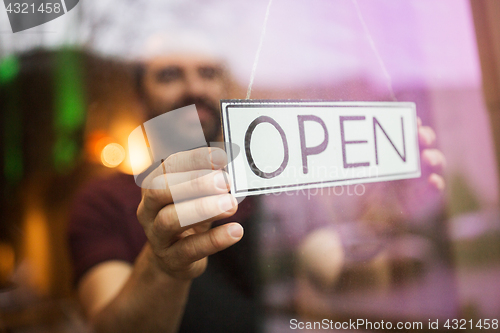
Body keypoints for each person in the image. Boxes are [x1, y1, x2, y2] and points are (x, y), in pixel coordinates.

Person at [68, 49, 446, 333]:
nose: (194, 87)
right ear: (139, 99)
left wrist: (392, 211)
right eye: (169, 75)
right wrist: (166, 262)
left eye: (208, 72)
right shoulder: (103, 203)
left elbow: (329, 274)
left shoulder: (275, 185)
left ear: (226, 87)